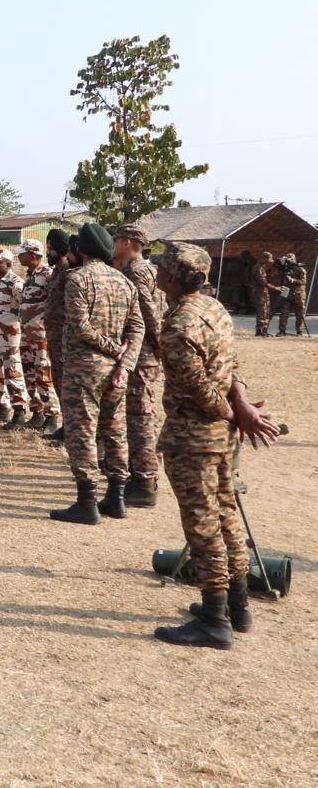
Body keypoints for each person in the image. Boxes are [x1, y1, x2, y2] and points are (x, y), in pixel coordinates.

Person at [151, 243, 280, 648]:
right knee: (225, 517)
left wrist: (232, 411)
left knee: (202, 527)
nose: (156, 273)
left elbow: (198, 390)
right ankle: (237, 607)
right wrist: (239, 406)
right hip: (220, 439)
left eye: (161, 269)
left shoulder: (177, 325)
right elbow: (233, 365)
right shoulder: (216, 309)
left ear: (172, 278)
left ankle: (214, 619)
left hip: (194, 438)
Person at [50, 223, 144, 525]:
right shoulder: (124, 282)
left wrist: (113, 349)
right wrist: (125, 362)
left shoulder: (78, 279)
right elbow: (137, 328)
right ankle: (116, 498)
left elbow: (80, 326)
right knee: (115, 432)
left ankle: (87, 502)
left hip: (84, 369)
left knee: (82, 432)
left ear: (81, 250)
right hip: (116, 373)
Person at [114, 223, 167, 507]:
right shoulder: (150, 269)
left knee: (140, 416)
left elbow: (147, 313)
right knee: (140, 414)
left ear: (125, 242)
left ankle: (145, 482)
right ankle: (141, 476)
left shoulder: (135, 271)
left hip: (141, 353)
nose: (113, 245)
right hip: (144, 352)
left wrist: (159, 345)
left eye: (116, 240)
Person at [15, 239, 60, 432]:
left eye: (22, 253)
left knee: (43, 374)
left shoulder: (47, 275)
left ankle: (51, 416)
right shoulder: (31, 275)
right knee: (30, 373)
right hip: (27, 334)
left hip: (41, 335)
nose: (19, 256)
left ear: (33, 255)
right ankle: (37, 412)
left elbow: (55, 304)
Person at [0, 249, 28, 428]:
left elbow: (24, 310)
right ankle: (3, 406)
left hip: (10, 337)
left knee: (13, 372)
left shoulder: (16, 283)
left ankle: (20, 411)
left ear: (8, 264)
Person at [42, 230, 75, 440]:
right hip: (53, 336)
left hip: (63, 336)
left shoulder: (68, 272)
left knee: (65, 381)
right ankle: (66, 425)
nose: (48, 252)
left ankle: (70, 427)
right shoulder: (56, 271)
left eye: (51, 248)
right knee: (57, 379)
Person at [275, 253, 309, 336]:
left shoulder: (300, 269)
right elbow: (279, 277)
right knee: (284, 313)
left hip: (298, 294)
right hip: (286, 292)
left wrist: (293, 280)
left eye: (290, 259)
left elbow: (303, 282)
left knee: (299, 313)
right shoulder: (284, 269)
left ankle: (299, 331)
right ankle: (282, 331)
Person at [250, 252, 281, 336]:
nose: (269, 262)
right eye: (268, 260)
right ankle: (259, 330)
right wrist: (275, 288)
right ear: (264, 259)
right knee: (261, 311)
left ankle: (264, 329)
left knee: (266, 311)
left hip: (264, 292)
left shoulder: (262, 267)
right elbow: (262, 282)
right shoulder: (257, 268)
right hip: (259, 293)